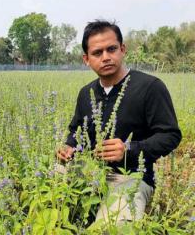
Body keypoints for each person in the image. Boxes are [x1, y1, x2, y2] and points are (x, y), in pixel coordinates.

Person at [55, 20, 182, 223]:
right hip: (90, 171)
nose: (106, 57)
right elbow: (76, 131)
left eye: (111, 49)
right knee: (49, 194)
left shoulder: (150, 87)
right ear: (86, 59)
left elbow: (171, 135)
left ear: (122, 50)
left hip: (130, 177)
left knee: (113, 227)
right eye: (97, 53)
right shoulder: (86, 93)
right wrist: (68, 147)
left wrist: (129, 149)